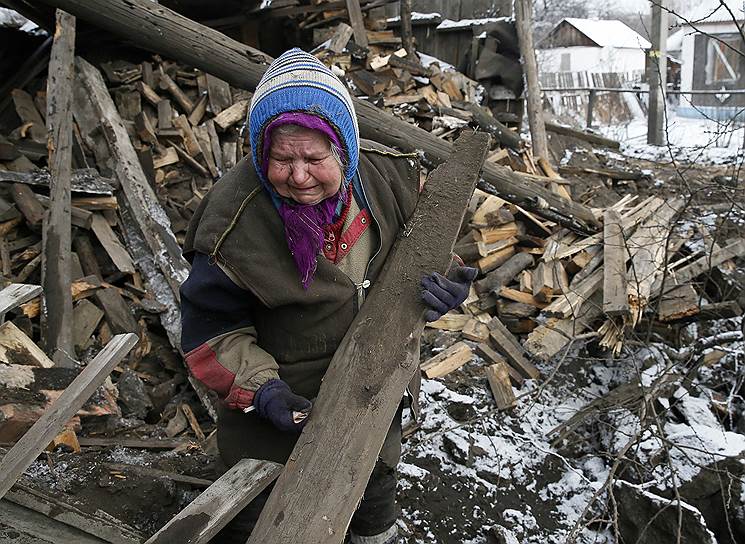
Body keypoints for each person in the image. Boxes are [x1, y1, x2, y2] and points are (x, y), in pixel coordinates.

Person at [179, 48, 477, 544]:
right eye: (281, 159)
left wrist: (448, 282)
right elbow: (213, 330)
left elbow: (431, 251)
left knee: (372, 486)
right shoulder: (232, 224)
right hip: (279, 408)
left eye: (315, 159)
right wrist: (260, 389)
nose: (299, 178)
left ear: (345, 150)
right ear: (259, 152)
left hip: (375, 390)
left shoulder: (390, 180)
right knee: (265, 515)